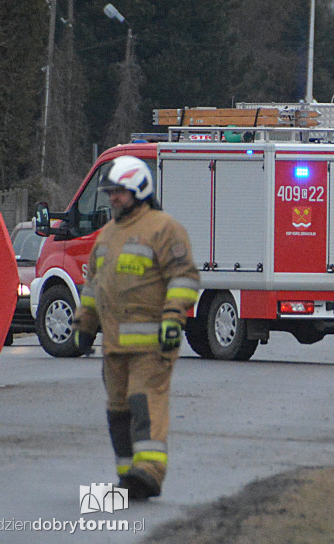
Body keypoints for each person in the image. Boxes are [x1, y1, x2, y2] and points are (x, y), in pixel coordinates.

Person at [73, 155, 200, 500]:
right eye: (111, 192)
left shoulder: (164, 228)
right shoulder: (107, 236)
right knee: (118, 410)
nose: (113, 198)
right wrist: (85, 324)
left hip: (153, 344)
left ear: (140, 191)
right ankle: (129, 476)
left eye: (120, 192)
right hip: (114, 346)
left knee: (143, 402)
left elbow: (184, 277)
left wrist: (174, 318)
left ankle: (149, 471)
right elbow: (93, 285)